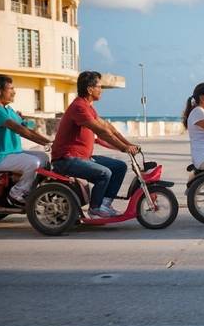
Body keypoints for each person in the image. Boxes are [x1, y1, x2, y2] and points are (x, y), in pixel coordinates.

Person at [51, 71, 140, 218]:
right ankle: (95, 208)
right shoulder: (79, 107)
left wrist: (129, 144)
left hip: (82, 157)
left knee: (119, 166)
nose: (101, 90)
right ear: (89, 89)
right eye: (99, 86)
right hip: (67, 159)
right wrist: (124, 148)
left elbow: (108, 127)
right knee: (104, 173)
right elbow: (102, 131)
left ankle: (105, 204)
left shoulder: (88, 107)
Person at [0, 74, 51, 206]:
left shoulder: (8, 109)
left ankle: (30, 190)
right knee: (33, 162)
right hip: (1, 157)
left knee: (44, 158)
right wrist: (45, 143)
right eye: (11, 89)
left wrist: (48, 142)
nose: (14, 92)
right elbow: (19, 130)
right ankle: (16, 194)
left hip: (14, 153)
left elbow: (27, 129)